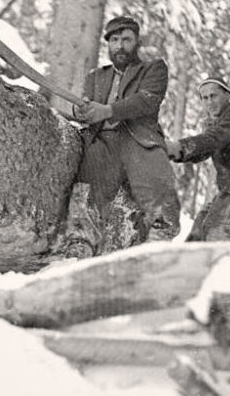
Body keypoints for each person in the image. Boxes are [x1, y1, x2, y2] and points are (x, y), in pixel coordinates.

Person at [58, 15, 180, 242]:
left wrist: (107, 110)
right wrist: (81, 112)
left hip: (137, 140)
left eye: (126, 40)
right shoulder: (96, 76)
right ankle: (80, 243)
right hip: (100, 142)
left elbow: (146, 101)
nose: (120, 46)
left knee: (159, 197)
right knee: (85, 200)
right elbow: (84, 106)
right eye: (114, 40)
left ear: (137, 43)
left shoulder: (153, 69)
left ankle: (159, 241)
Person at [166, 76, 230, 241]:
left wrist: (178, 147)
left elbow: (214, 138)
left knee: (217, 233)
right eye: (204, 98)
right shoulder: (215, 124)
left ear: (227, 95)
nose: (209, 101)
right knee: (200, 230)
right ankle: (189, 263)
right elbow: (203, 150)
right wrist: (173, 153)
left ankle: (215, 263)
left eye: (213, 95)